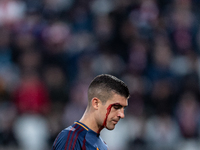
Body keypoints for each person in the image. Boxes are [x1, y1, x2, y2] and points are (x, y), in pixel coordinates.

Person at [52, 74, 130, 150]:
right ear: (96, 103)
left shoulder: (103, 145)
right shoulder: (71, 137)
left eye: (123, 108)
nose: (122, 115)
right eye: (116, 107)